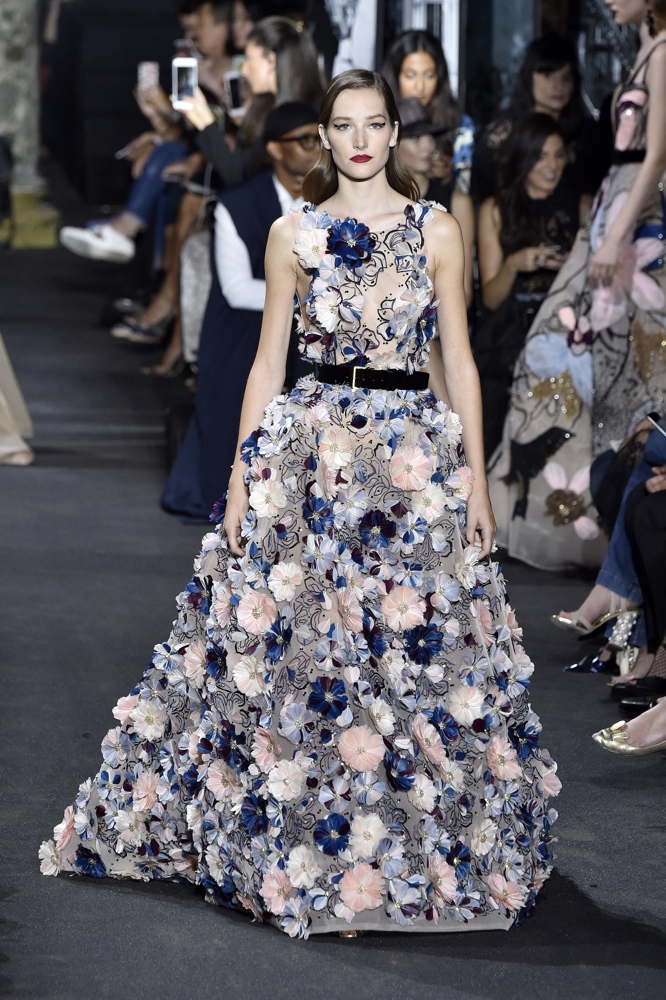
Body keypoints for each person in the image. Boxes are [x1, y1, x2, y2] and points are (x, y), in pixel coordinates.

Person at [40, 70, 559, 937]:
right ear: (324, 136)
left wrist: (476, 475)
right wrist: (242, 477)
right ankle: (324, 864)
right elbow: (264, 363)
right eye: (343, 126)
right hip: (311, 453)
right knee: (312, 658)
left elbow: (460, 360)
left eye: (374, 125)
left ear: (396, 134)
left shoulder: (437, 230)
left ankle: (400, 855)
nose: (358, 140)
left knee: (412, 654)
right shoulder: (294, 234)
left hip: (410, 457)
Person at [488, 0, 666, 572]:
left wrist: (615, 237)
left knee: (621, 384)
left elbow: (656, 155)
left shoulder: (662, 52)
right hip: (617, 223)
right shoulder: (645, 48)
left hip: (634, 231)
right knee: (586, 375)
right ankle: (607, 553)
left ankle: (615, 563)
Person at [161, 101, 320, 519]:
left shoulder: (334, 205)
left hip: (308, 335)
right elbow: (235, 290)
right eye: (304, 140)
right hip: (241, 334)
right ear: (274, 148)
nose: (314, 150)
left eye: (319, 139)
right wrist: (313, 301)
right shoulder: (238, 203)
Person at [58, 0, 236, 265]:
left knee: (166, 157)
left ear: (224, 28)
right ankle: (131, 242)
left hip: (220, 165)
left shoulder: (239, 73)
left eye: (199, 25)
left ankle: (127, 228)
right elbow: (187, 131)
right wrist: (159, 119)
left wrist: (172, 138)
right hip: (201, 157)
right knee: (158, 157)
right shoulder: (194, 70)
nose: (192, 35)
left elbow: (234, 132)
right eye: (188, 28)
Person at [474, 114, 583, 457]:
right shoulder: (495, 209)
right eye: (541, 156)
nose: (551, 166)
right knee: (499, 445)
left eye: (558, 155)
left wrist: (573, 267)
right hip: (509, 335)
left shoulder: (581, 204)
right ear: (523, 157)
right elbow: (490, 299)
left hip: (566, 334)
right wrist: (514, 264)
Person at [471, 34, 603, 210]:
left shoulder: (587, 135)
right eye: (548, 75)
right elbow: (482, 195)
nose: (558, 86)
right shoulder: (500, 137)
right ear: (529, 76)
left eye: (566, 78)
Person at [397, 98, 474, 307]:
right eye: (415, 137)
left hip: (437, 323)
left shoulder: (457, 202)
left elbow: (464, 292)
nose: (428, 145)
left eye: (430, 136)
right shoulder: (378, 202)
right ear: (392, 144)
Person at [382, 29, 475, 194]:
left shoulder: (459, 125)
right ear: (396, 77)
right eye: (410, 75)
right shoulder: (378, 119)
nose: (420, 87)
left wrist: (449, 175)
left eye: (429, 75)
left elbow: (466, 191)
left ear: (439, 77)